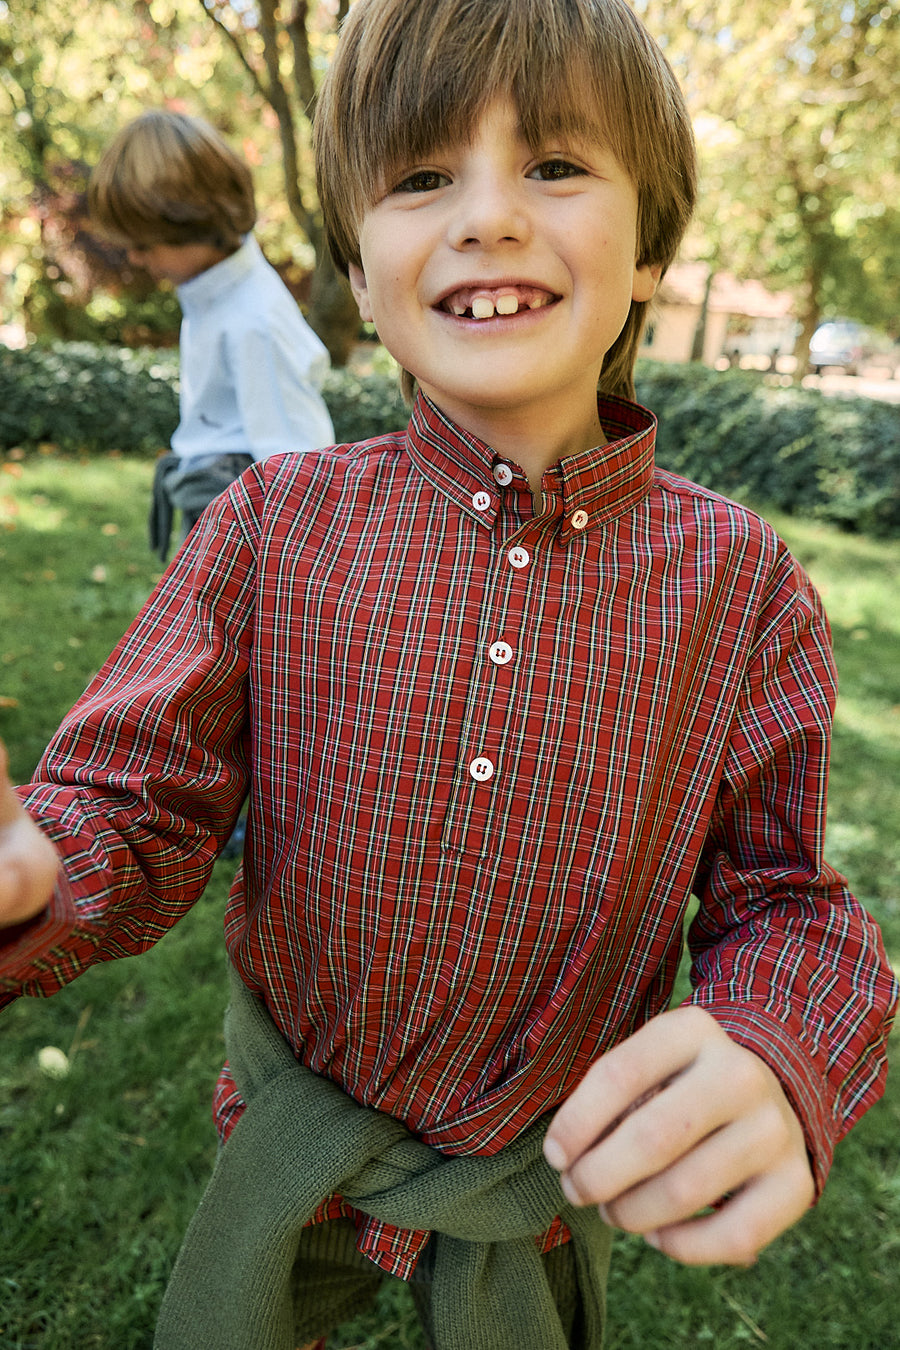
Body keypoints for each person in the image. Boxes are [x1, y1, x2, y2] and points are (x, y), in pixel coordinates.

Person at [1, 2, 896, 1347]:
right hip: (296, 1140)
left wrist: (778, 1042)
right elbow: (134, 803)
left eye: (554, 164)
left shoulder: (742, 585)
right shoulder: (269, 527)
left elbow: (784, 900)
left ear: (650, 249)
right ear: (360, 276)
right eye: (422, 176)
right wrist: (40, 867)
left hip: (534, 1178)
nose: (487, 217)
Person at [89, 110, 335, 560]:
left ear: (194, 225)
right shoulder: (212, 295)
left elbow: (299, 467)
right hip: (213, 505)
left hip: (244, 527)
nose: (137, 260)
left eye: (144, 245)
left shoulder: (255, 321)